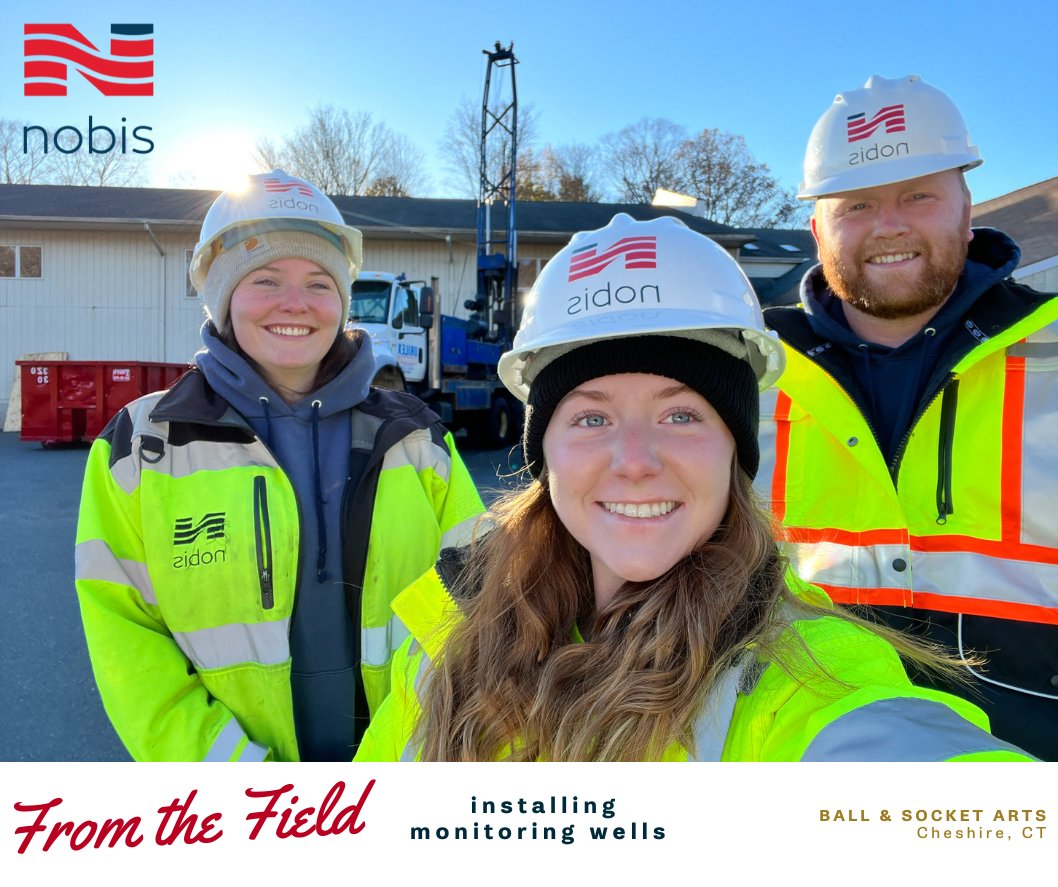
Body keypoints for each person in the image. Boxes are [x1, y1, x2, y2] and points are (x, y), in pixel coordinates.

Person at [353, 213, 1032, 762]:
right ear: (543, 451)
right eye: (591, 416)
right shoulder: (451, 632)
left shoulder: (800, 673)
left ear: (734, 446)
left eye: (681, 414)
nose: (636, 460)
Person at [75, 170, 484, 762]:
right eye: (265, 279)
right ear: (222, 298)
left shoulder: (416, 438)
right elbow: (125, 638)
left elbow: (477, 600)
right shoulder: (142, 445)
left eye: (320, 283)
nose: (296, 303)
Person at [756, 75, 1058, 760]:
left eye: (917, 194)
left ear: (965, 206)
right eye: (856, 204)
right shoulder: (744, 379)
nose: (889, 224)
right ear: (816, 228)